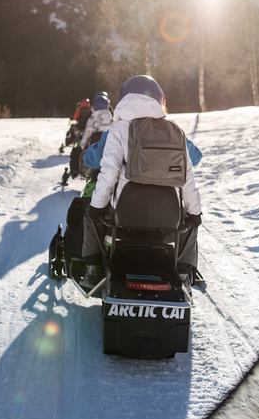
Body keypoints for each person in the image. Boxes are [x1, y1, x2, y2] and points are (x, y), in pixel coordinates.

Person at [81, 74, 204, 285]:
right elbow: (188, 177)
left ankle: (94, 269)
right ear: (158, 99)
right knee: (191, 220)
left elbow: (109, 173)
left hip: (125, 213)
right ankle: (184, 273)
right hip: (168, 215)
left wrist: (96, 208)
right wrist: (195, 213)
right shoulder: (175, 131)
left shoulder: (119, 129)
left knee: (89, 212)